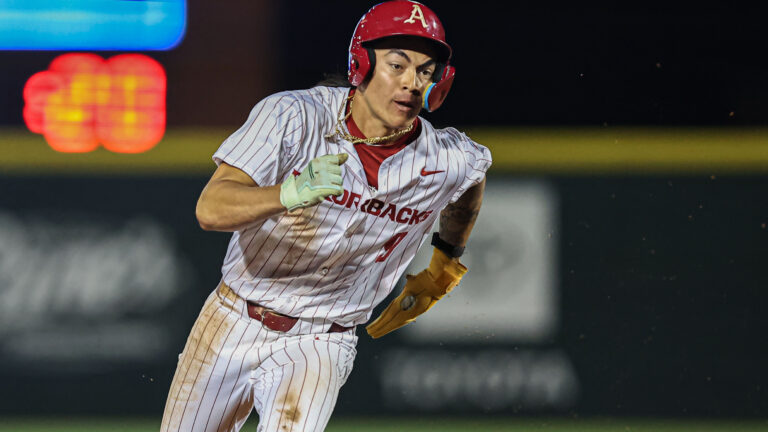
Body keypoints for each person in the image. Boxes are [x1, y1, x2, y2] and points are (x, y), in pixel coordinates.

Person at [160, 1, 491, 431]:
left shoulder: (449, 158)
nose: (411, 82)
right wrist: (288, 192)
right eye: (397, 64)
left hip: (323, 338)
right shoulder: (294, 116)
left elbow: (471, 184)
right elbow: (211, 208)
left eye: (425, 71)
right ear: (362, 63)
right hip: (233, 317)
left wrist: (446, 259)